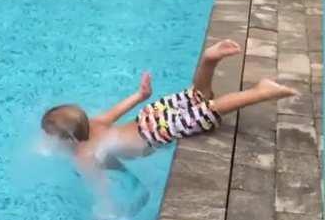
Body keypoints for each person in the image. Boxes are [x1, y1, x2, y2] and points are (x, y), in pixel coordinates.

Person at [41, 40, 297, 183]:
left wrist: (106, 210)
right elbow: (121, 108)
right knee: (198, 97)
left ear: (68, 139)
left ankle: (261, 92)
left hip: (155, 134)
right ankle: (209, 59)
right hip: (149, 115)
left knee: (207, 113)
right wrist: (141, 95)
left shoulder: (83, 155)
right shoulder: (96, 122)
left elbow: (101, 187)